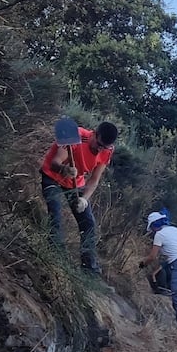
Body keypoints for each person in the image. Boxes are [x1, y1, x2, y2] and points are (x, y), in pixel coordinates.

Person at [41, 118, 118, 275]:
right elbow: (55, 162)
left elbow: (94, 180)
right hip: (52, 176)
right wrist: (64, 169)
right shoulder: (74, 136)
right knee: (55, 213)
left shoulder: (107, 151)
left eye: (104, 147)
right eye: (99, 144)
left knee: (88, 222)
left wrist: (84, 198)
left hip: (75, 184)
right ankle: (56, 257)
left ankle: (89, 268)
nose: (100, 149)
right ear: (94, 134)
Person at [140, 210, 177, 328]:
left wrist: (143, 263)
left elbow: (152, 256)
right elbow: (175, 251)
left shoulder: (160, 235)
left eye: (152, 228)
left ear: (154, 225)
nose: (152, 231)